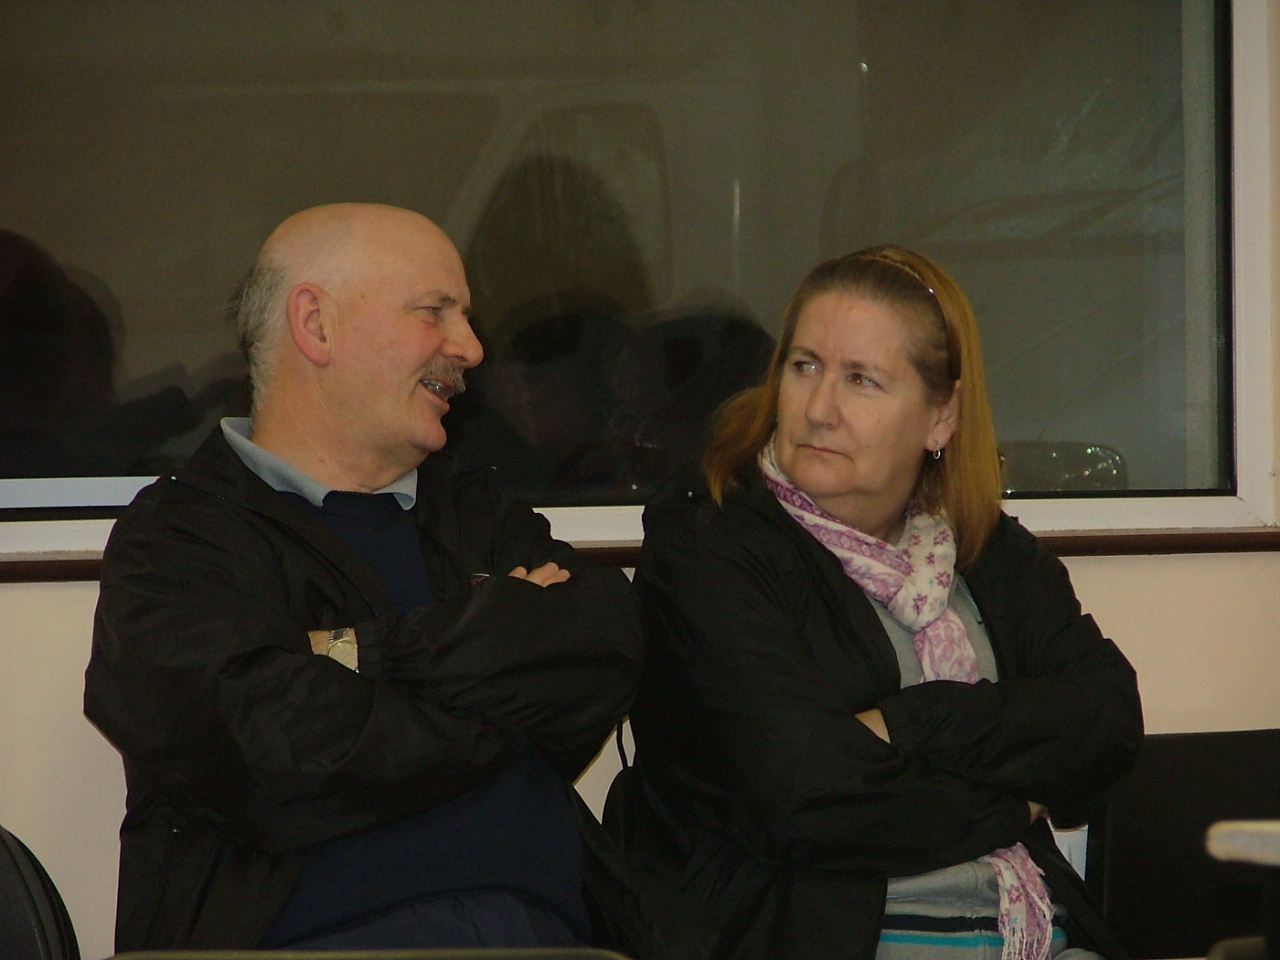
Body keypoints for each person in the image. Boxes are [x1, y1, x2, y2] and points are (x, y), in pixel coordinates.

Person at [84, 203, 642, 952]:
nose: (472, 348)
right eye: (434, 312)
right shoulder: (180, 538)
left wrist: (355, 655)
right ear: (316, 325)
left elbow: (600, 644)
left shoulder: (475, 513)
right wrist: (497, 695)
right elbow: (269, 751)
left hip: (554, 940)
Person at [613, 245, 1143, 960]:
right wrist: (1019, 799)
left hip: (1035, 934)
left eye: (861, 380)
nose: (819, 409)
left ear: (940, 418)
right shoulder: (706, 549)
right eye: (805, 366)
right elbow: (803, 797)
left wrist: (906, 723)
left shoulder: (984, 548)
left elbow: (1107, 719)